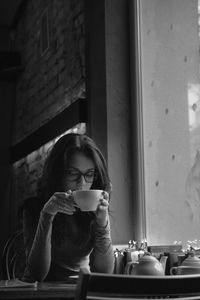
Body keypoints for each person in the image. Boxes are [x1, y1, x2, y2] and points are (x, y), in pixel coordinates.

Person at [21, 133, 114, 282]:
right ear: (57, 173)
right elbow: (37, 274)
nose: (81, 183)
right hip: (41, 291)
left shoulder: (92, 211)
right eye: (72, 173)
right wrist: (47, 216)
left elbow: (104, 271)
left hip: (77, 289)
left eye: (89, 174)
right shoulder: (34, 208)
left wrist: (103, 224)